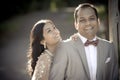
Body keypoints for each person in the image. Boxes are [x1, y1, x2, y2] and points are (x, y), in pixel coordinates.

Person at [49, 3, 118, 80]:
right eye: (82, 20)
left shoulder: (109, 47)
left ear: (98, 21)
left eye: (91, 18)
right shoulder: (64, 48)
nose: (88, 23)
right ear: (76, 25)